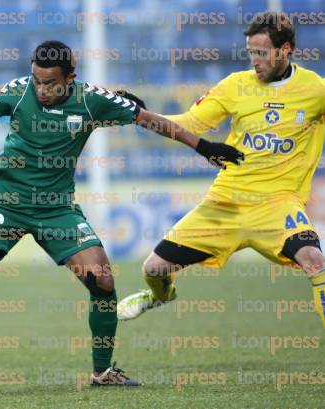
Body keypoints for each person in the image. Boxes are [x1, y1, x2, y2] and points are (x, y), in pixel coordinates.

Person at [0, 40, 242, 386]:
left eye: (50, 83)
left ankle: (103, 371)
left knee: (103, 281)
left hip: (57, 209)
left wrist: (204, 146)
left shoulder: (92, 100)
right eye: (38, 81)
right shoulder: (17, 91)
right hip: (6, 203)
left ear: (70, 78)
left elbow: (151, 120)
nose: (42, 89)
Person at [118, 12, 325, 329]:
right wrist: (142, 114)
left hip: (278, 205)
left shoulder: (315, 90)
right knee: (154, 269)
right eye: (250, 53)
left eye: (262, 53)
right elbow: (189, 123)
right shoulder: (235, 86)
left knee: (315, 261)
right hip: (225, 203)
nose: (254, 61)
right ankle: (160, 296)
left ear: (285, 50)